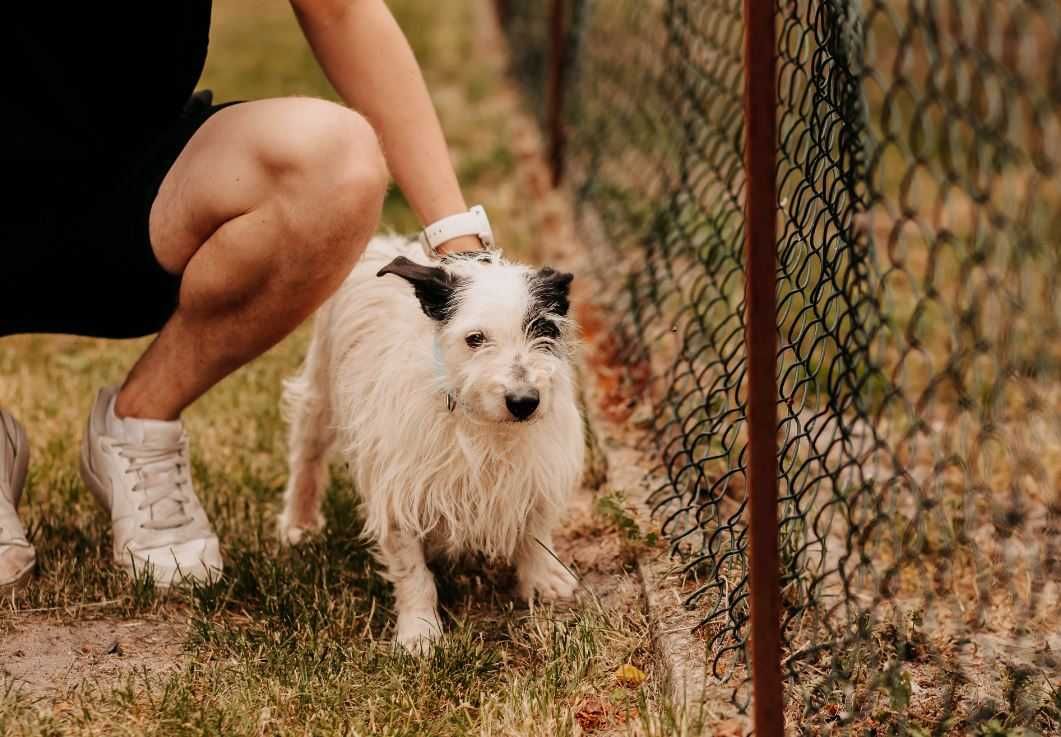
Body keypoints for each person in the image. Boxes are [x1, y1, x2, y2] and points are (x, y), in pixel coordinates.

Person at [0, 1, 496, 589]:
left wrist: (463, 253)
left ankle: (140, 425)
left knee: (335, 161)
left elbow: (341, 12)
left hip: (144, 199)